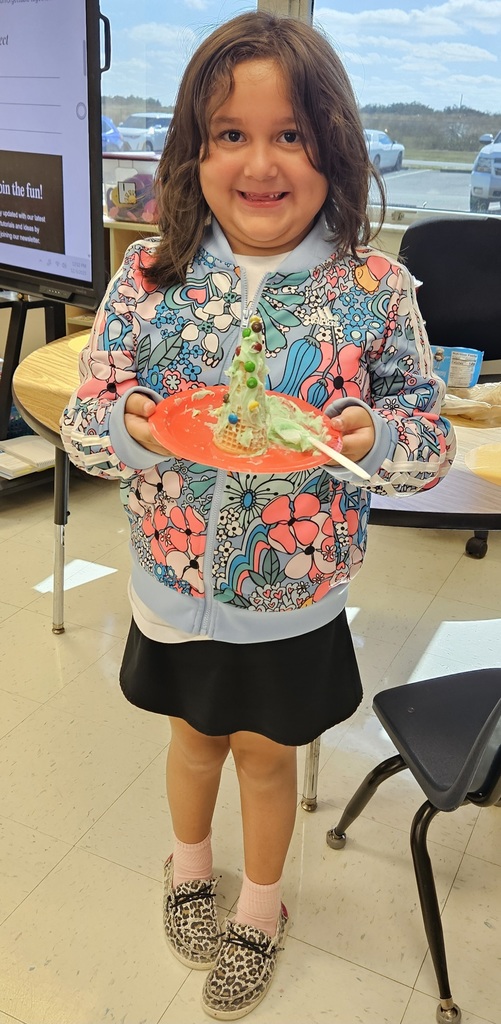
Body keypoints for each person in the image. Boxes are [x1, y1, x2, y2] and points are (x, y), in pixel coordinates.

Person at [61, 11, 456, 1020]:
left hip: (293, 589)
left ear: (336, 148)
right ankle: (188, 863)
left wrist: (377, 438)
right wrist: (135, 426)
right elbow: (86, 422)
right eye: (231, 133)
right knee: (194, 733)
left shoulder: (374, 290)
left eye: (291, 134)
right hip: (170, 573)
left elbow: (429, 435)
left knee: (263, 750)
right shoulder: (146, 281)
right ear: (194, 150)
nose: (261, 160)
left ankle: (264, 904)